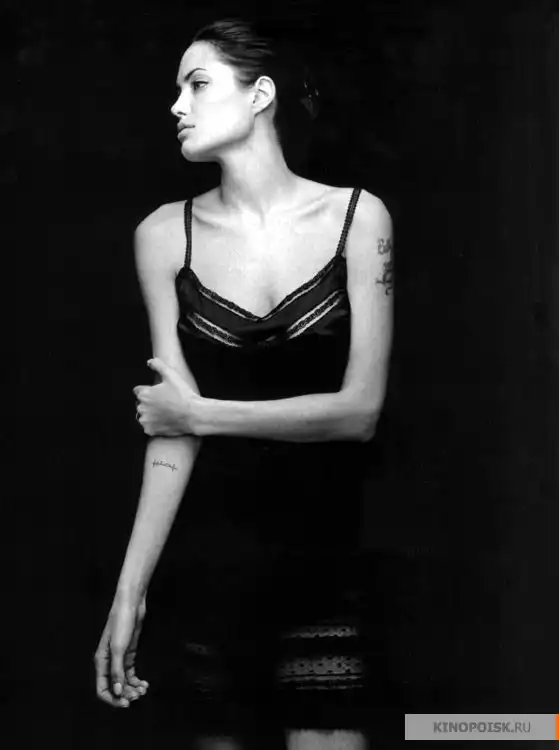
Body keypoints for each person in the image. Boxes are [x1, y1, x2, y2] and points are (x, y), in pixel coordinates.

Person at [94, 16, 393, 750]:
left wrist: (200, 413)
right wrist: (129, 592)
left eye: (197, 84)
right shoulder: (162, 234)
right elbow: (170, 435)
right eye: (177, 89)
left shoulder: (358, 218)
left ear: (260, 95)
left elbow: (359, 411)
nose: (177, 105)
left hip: (324, 557)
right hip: (209, 562)